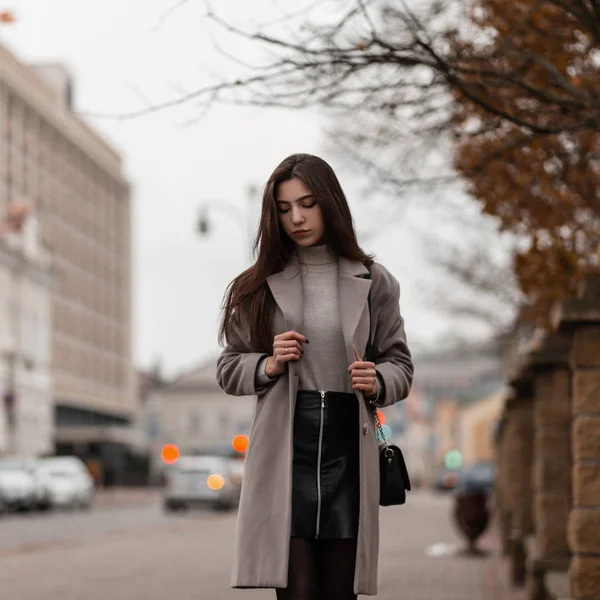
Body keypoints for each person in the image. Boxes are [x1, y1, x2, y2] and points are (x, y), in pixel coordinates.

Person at [216, 153, 413, 599]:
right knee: (298, 589)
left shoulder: (375, 281)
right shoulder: (257, 285)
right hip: (287, 447)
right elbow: (228, 367)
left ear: (330, 203)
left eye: (307, 204)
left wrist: (378, 379)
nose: (296, 218)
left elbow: (401, 365)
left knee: (339, 592)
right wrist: (267, 363)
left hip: (348, 447)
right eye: (284, 209)